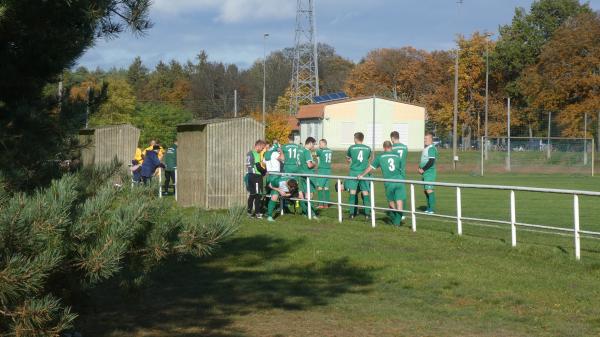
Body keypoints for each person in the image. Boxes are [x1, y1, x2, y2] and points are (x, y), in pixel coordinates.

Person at [358, 141, 405, 226]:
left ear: (384, 148)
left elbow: (370, 168)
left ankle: (396, 222)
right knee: (399, 202)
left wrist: (361, 175)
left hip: (389, 182)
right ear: (391, 147)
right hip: (399, 181)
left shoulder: (381, 157)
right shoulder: (397, 156)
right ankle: (398, 222)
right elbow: (401, 168)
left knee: (391, 202)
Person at [345, 132, 372, 220]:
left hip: (353, 172)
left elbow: (348, 159)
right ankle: (367, 214)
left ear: (356, 139)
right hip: (364, 172)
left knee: (352, 192)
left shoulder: (351, 148)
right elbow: (367, 158)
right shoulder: (368, 148)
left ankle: (352, 213)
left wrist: (351, 161)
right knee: (365, 193)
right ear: (362, 139)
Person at [297, 137, 318, 218]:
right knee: (309, 194)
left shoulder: (299, 150)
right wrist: (314, 164)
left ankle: (304, 212)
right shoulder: (307, 151)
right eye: (313, 144)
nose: (313, 147)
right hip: (308, 174)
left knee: (302, 194)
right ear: (310, 143)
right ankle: (312, 213)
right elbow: (309, 165)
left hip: (300, 173)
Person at [246, 140, 267, 218]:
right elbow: (258, 166)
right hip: (256, 176)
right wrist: (265, 171)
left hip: (250, 175)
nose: (262, 150)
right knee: (257, 195)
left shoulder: (249, 153)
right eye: (262, 148)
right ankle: (257, 213)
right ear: (258, 146)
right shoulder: (256, 154)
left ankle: (249, 212)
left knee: (252, 194)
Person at [419, 133, 438, 214]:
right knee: (426, 190)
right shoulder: (426, 148)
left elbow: (431, 161)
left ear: (431, 139)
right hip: (425, 173)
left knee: (429, 190)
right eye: (424, 138)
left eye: (426, 139)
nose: (424, 140)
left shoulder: (431, 148)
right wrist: (419, 167)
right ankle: (428, 207)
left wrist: (423, 169)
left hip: (429, 173)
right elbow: (424, 159)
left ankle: (431, 209)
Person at [390, 131, 408, 218]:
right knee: (401, 194)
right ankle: (401, 213)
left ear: (393, 138)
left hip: (393, 173)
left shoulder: (392, 148)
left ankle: (396, 213)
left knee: (392, 194)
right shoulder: (405, 147)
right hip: (402, 173)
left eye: (391, 139)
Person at [315, 139, 333, 208]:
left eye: (320, 143)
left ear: (324, 143)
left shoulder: (320, 151)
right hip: (328, 170)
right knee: (326, 187)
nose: (319, 145)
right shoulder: (330, 150)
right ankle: (326, 204)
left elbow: (316, 155)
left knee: (320, 187)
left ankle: (320, 205)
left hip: (322, 170)